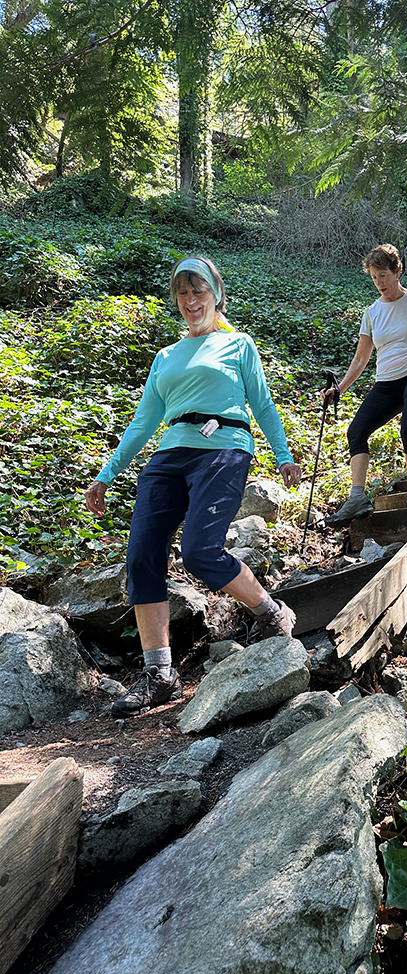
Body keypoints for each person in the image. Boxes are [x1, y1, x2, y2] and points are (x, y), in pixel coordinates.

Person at [84, 256, 302, 719]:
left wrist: (283, 454)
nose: (190, 300)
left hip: (224, 448)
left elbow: (262, 404)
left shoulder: (238, 344)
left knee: (200, 552)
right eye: (182, 293)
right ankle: (159, 674)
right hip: (169, 456)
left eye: (198, 290)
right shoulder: (166, 356)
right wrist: (106, 474)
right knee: (141, 556)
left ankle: (270, 612)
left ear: (216, 295)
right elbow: (143, 422)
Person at [323, 243, 407, 525]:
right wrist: (339, 389)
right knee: (356, 431)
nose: (379, 282)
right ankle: (357, 497)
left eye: (383, 275)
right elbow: (360, 359)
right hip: (387, 381)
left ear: (397, 272)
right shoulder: (371, 313)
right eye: (374, 277)